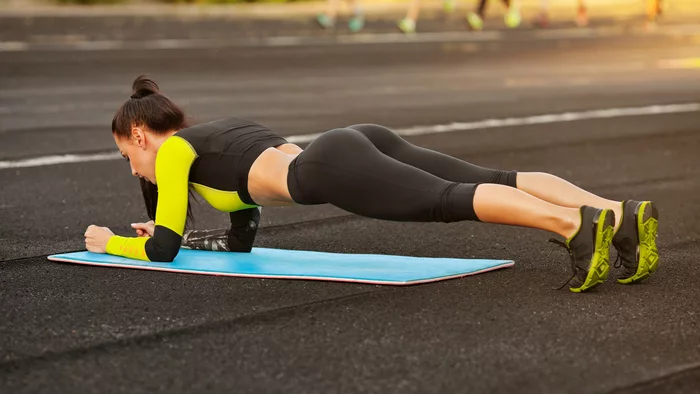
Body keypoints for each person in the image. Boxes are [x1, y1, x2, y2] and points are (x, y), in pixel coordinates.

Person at [84, 75, 659, 293]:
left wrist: (114, 244)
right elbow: (240, 238)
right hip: (351, 140)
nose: (132, 169)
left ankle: (577, 227)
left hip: (330, 166)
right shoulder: (214, 136)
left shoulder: (178, 151)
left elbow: (160, 248)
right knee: (492, 177)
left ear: (140, 134)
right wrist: (181, 236)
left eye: (125, 156)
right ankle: (620, 214)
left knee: (446, 202)